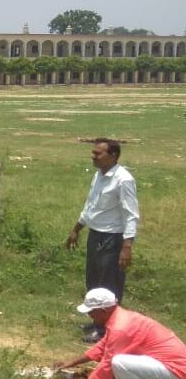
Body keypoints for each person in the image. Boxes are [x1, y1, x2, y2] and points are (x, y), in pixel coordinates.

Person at [54, 288, 186, 379]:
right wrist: (72, 362)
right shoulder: (121, 317)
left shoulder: (120, 327)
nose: (89, 315)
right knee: (120, 362)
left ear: (103, 310)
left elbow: (106, 367)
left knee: (118, 363)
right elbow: (103, 346)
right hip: (170, 366)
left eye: (91, 311)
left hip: (177, 371)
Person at [65, 138, 140, 343]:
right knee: (94, 281)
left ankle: (108, 330)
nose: (93, 157)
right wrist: (77, 228)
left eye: (98, 153)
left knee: (109, 285)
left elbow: (131, 214)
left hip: (112, 238)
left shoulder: (123, 179)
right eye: (93, 152)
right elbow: (91, 206)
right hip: (96, 234)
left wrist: (127, 246)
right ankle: (97, 322)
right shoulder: (99, 175)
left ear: (113, 155)